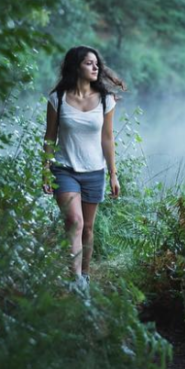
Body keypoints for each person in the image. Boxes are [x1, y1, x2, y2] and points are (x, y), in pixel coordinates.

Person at [42, 46, 126, 291]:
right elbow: (49, 137)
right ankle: (75, 279)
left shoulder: (105, 100)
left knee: (88, 228)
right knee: (74, 221)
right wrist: (45, 170)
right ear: (76, 66)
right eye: (89, 63)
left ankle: (85, 275)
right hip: (64, 169)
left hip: (94, 171)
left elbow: (107, 139)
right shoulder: (57, 98)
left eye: (96, 63)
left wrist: (113, 174)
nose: (95, 67)